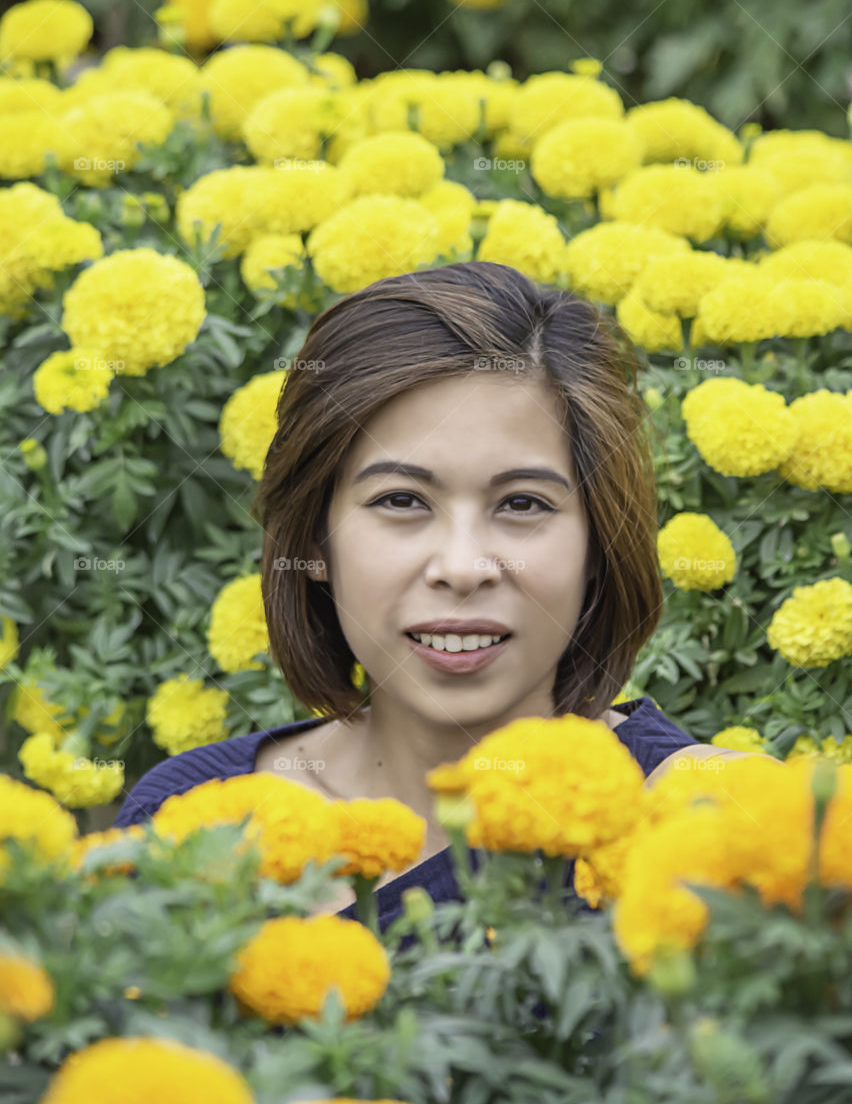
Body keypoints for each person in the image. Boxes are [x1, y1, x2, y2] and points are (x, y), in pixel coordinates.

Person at [114, 260, 763, 933]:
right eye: (400, 500)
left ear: (599, 544)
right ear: (314, 541)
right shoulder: (191, 816)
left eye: (521, 503)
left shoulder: (720, 829)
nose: (462, 567)